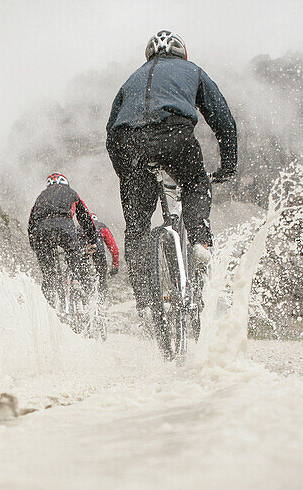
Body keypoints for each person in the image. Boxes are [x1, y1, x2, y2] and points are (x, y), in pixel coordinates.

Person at [105, 30, 237, 314]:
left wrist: (127, 174)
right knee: (194, 183)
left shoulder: (131, 79)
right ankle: (200, 242)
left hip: (129, 143)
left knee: (137, 227)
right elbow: (223, 119)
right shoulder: (192, 70)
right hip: (174, 134)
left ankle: (143, 300)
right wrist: (228, 165)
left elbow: (110, 134)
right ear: (181, 53)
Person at [26, 173, 100, 305]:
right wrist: (92, 240)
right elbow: (85, 217)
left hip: (42, 233)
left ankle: (50, 305)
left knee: (49, 274)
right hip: (65, 228)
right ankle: (79, 283)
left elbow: (31, 222)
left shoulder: (41, 195)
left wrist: (34, 245)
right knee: (74, 255)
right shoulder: (71, 193)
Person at [88, 212, 120, 292]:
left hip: (85, 249)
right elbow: (114, 249)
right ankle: (101, 302)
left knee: (82, 276)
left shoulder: (80, 226)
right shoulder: (102, 226)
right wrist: (115, 266)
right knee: (102, 278)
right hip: (99, 250)